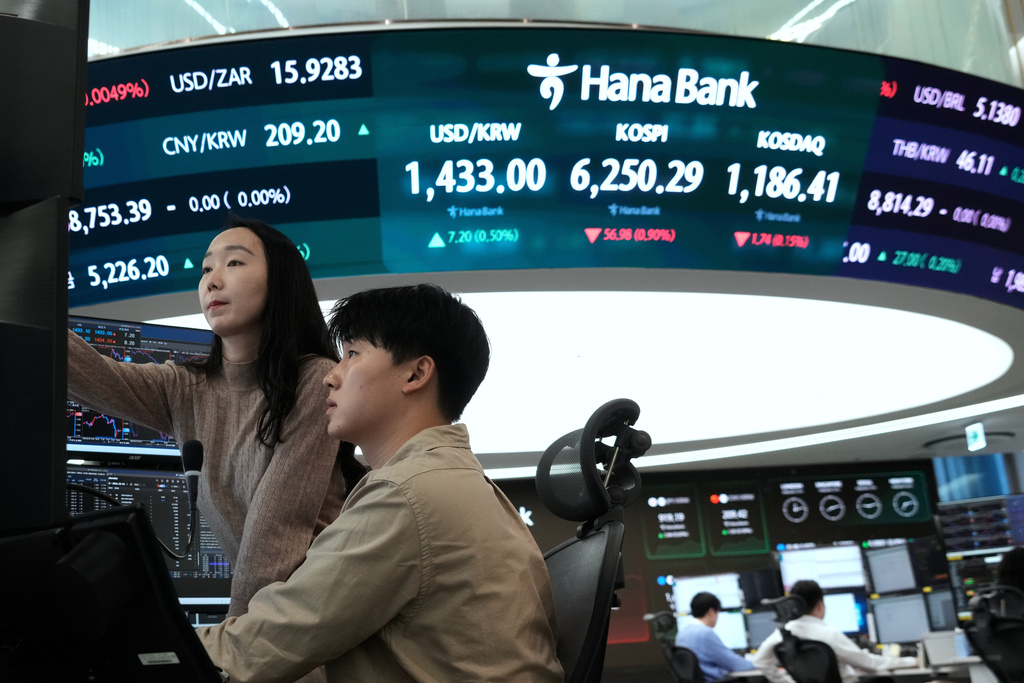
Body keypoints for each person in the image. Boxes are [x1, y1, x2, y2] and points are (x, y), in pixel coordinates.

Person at [197, 284, 564, 683]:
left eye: (353, 353)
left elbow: (262, 644)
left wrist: (148, 646)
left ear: (416, 373)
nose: (330, 376)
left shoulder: (406, 495)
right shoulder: (446, 478)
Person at [67, 216, 355, 629]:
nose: (212, 281)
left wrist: (234, 645)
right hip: (264, 624)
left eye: (234, 263)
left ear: (281, 281)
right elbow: (90, 376)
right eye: (205, 269)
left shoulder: (313, 380)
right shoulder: (186, 388)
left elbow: (275, 531)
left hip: (316, 619)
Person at [752, 580, 917, 683]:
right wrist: (911, 662)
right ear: (820, 605)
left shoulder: (782, 633)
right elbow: (870, 664)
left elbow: (760, 661)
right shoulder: (828, 634)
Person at [675, 591, 755, 681]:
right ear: (711, 611)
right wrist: (759, 662)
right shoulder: (704, 633)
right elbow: (735, 665)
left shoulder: (682, 633)